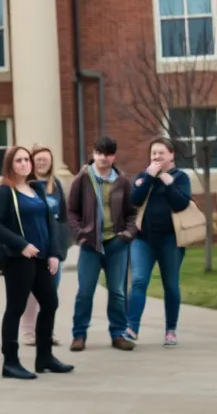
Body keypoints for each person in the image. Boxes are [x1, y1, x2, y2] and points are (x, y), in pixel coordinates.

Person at [0, 146, 73, 380]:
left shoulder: (37, 189)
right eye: (19, 160)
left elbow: (51, 223)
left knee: (50, 303)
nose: (25, 164)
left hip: (44, 258)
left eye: (27, 159)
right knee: (15, 308)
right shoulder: (5, 192)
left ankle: (44, 357)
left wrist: (54, 252)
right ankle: (10, 362)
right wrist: (21, 244)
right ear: (10, 165)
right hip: (19, 260)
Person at [66, 136, 137, 352]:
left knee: (117, 292)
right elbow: (72, 211)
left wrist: (127, 234)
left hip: (116, 243)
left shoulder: (122, 181)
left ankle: (118, 334)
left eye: (107, 154)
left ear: (113, 156)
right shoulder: (83, 178)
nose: (102, 157)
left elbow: (132, 212)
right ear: (94, 153)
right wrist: (81, 234)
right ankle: (79, 335)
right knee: (85, 292)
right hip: (91, 245)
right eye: (99, 152)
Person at [126, 138, 190, 348]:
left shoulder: (180, 177)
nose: (156, 157)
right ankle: (132, 328)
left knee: (170, 285)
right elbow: (134, 200)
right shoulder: (145, 177)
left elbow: (181, 203)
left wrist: (166, 181)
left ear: (171, 155)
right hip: (143, 241)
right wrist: (148, 178)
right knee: (139, 281)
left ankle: (170, 330)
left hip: (170, 241)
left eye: (161, 153)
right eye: (153, 153)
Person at [19, 144, 67, 347]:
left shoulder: (55, 185)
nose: (41, 163)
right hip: (33, 244)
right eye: (38, 159)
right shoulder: (25, 185)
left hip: (53, 245)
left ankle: (46, 332)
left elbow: (63, 215)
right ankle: (29, 332)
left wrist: (62, 244)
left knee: (51, 293)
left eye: (45, 160)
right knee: (32, 291)